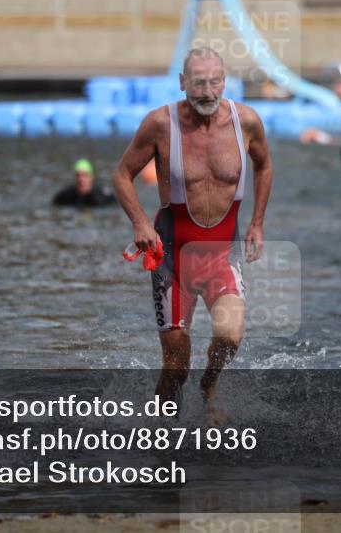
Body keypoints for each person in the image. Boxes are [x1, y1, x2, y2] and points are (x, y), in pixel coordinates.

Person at [112, 47, 272, 424]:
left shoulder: (246, 121)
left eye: (214, 81)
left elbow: (264, 167)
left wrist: (257, 223)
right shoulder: (159, 124)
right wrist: (140, 221)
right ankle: (160, 436)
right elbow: (121, 176)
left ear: (224, 82)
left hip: (221, 255)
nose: (206, 91)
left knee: (231, 336)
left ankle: (210, 385)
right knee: (175, 366)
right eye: (198, 82)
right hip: (172, 257)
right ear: (183, 82)